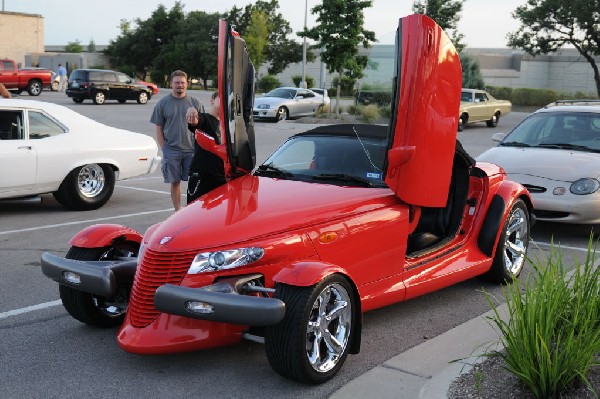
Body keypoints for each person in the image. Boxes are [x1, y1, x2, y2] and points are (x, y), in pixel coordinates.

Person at [150, 70, 204, 211]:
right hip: (172, 150)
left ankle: (193, 211)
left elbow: (203, 126)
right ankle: (177, 211)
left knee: (195, 182)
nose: (180, 85)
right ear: (171, 84)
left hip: (192, 150)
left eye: (182, 83)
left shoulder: (195, 103)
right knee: (175, 182)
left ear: (186, 84)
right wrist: (164, 149)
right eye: (177, 83)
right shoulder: (163, 104)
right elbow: (159, 127)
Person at [185, 91, 226, 204]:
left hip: (222, 179)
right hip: (202, 179)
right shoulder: (205, 119)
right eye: (222, 98)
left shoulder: (228, 127)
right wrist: (192, 111)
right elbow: (196, 121)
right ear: (212, 100)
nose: (225, 102)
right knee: (196, 214)